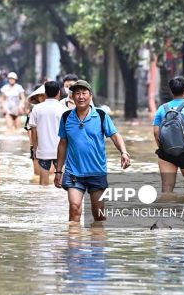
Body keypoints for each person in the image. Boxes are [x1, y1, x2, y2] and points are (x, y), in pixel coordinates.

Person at [54, 80, 131, 222]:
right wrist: (58, 171)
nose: (81, 97)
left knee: (98, 214)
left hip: (96, 171)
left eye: (84, 93)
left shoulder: (101, 115)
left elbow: (114, 135)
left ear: (91, 96)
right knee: (75, 207)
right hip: (74, 172)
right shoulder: (66, 118)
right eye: (77, 93)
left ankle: (97, 241)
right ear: (72, 97)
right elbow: (62, 144)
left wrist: (123, 152)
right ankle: (74, 242)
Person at [29, 81, 67, 185]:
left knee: (43, 184)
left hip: (43, 150)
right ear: (59, 93)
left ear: (45, 93)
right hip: (61, 151)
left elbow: (33, 130)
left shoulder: (36, 109)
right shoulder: (64, 110)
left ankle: (44, 200)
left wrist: (35, 147)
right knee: (61, 182)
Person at [25, 84, 47, 178]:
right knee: (37, 175)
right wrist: (33, 146)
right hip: (36, 145)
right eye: (40, 95)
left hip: (51, 145)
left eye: (44, 95)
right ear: (37, 97)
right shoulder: (33, 112)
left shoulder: (57, 109)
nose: (42, 97)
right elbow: (29, 130)